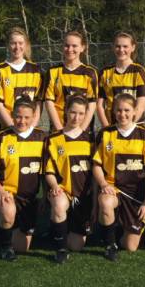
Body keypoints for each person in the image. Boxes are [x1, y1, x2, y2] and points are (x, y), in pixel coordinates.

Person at [92, 93, 145, 261]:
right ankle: (110, 245)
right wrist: (103, 183)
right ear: (113, 111)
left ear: (135, 111)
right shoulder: (106, 134)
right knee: (105, 201)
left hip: (136, 196)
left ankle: (118, 228)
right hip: (114, 190)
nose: (123, 114)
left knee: (130, 247)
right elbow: (96, 165)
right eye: (118, 110)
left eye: (127, 110)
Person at [0, 96, 46, 261]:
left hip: (29, 198)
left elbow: (48, 173)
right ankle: (5, 247)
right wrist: (0, 191)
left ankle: (13, 227)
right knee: (8, 212)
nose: (22, 121)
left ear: (34, 116)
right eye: (18, 116)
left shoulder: (42, 138)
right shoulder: (0, 138)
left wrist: (45, 198)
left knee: (23, 248)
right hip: (7, 192)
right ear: (12, 115)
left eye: (27, 117)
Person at [44, 95, 95, 263]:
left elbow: (96, 173)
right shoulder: (53, 139)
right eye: (73, 112)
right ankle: (61, 250)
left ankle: (58, 227)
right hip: (64, 191)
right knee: (58, 203)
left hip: (83, 197)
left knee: (77, 245)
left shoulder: (92, 140)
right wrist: (55, 186)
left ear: (87, 114)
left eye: (81, 113)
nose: (76, 117)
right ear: (66, 111)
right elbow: (49, 171)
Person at [0, 27, 43, 130]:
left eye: (20, 43)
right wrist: (12, 127)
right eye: (13, 43)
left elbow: (39, 102)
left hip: (29, 130)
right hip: (6, 129)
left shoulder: (36, 70)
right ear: (8, 45)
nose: (17, 47)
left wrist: (32, 127)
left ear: (26, 45)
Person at [44, 31, 98, 132]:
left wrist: (81, 130)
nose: (70, 49)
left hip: (83, 132)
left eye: (74, 46)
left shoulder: (90, 73)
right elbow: (49, 103)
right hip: (58, 129)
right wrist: (60, 130)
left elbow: (91, 104)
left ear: (82, 47)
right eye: (67, 45)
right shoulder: (52, 72)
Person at [97, 31, 145, 127]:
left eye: (125, 46)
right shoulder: (105, 72)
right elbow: (99, 105)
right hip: (112, 127)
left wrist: (129, 127)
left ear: (133, 47)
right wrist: (106, 127)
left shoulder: (138, 71)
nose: (121, 50)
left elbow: (141, 105)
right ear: (113, 48)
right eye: (118, 46)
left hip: (135, 126)